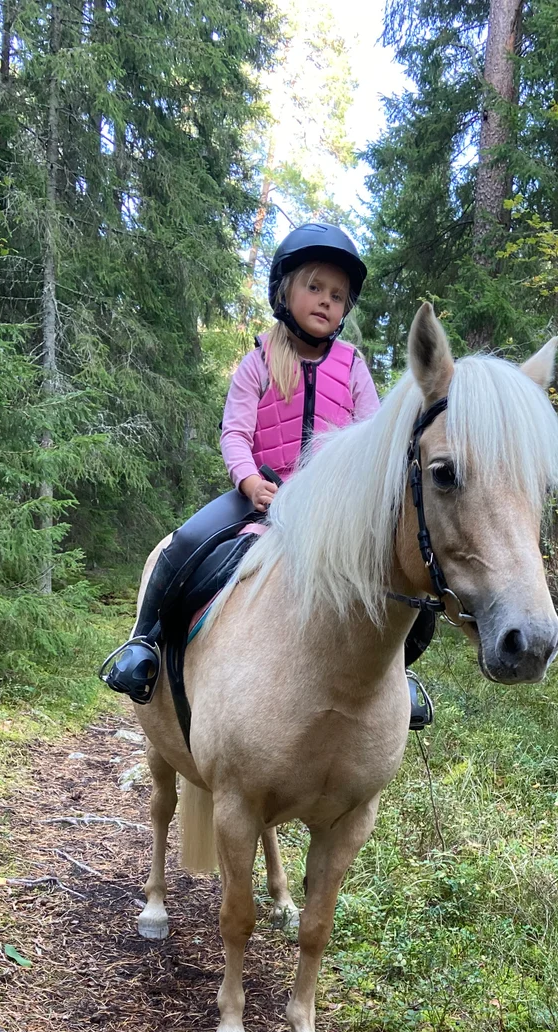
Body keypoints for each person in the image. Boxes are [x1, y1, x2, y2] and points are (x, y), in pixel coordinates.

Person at [101, 221, 435, 727]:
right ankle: (144, 645)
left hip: (333, 511)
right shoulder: (258, 360)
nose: (326, 301)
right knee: (183, 546)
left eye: (338, 295)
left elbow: (375, 439)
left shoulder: (352, 367)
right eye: (315, 287)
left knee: (416, 579)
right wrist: (247, 481)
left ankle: (397, 675)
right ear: (285, 291)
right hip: (262, 493)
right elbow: (234, 432)